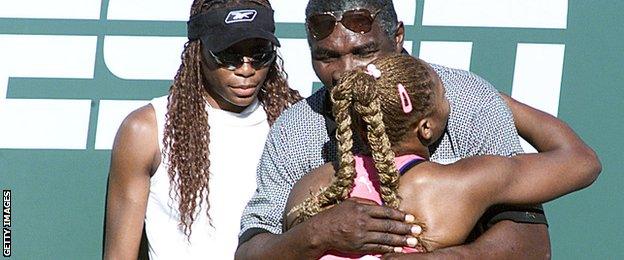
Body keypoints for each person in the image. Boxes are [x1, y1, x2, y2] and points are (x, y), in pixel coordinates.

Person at [236, 0, 601, 259]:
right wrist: (318, 233)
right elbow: (252, 249)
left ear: (397, 37)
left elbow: (532, 242)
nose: (345, 72)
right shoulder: (295, 132)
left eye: (364, 52)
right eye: (327, 56)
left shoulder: (467, 99)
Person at [283, 54, 597, 258]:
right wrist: (500, 101)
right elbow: (582, 161)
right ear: (426, 127)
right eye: (445, 96)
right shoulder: (455, 184)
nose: (451, 101)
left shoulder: (315, 184)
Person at [103, 0, 301, 259]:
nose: (245, 69)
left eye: (260, 54)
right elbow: (119, 256)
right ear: (198, 52)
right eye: (229, 55)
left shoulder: (295, 122)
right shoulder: (147, 130)